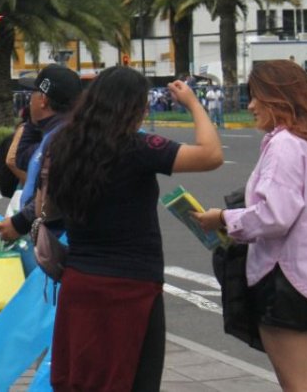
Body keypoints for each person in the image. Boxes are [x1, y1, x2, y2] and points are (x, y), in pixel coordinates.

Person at [32, 69, 222, 391]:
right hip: (132, 289)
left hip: (79, 283)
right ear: (131, 108)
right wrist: (193, 104)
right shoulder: (138, 147)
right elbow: (211, 154)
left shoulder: (63, 144)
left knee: (80, 382)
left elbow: (44, 210)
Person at [195, 60, 307, 392]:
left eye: (257, 97)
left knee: (298, 386)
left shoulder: (286, 144)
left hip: (286, 280)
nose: (251, 105)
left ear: (279, 99)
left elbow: (274, 216)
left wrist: (224, 219)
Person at [0, 65, 82, 235]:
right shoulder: (54, 133)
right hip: (52, 239)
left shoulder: (63, 139)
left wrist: (19, 223)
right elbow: (22, 158)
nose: (30, 100)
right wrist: (33, 120)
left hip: (61, 243)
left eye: (32, 95)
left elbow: (54, 192)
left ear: (43, 99)